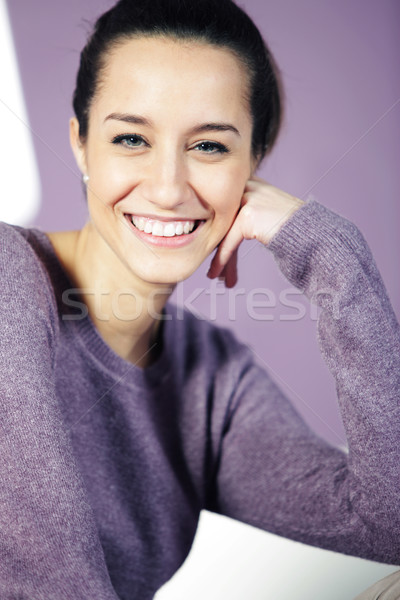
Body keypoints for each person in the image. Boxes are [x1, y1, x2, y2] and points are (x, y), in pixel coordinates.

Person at [0, 0, 399, 598]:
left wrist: (332, 250)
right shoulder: (8, 277)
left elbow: (388, 523)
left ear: (253, 164)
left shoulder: (213, 379)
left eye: (209, 146)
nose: (166, 188)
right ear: (81, 145)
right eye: (131, 138)